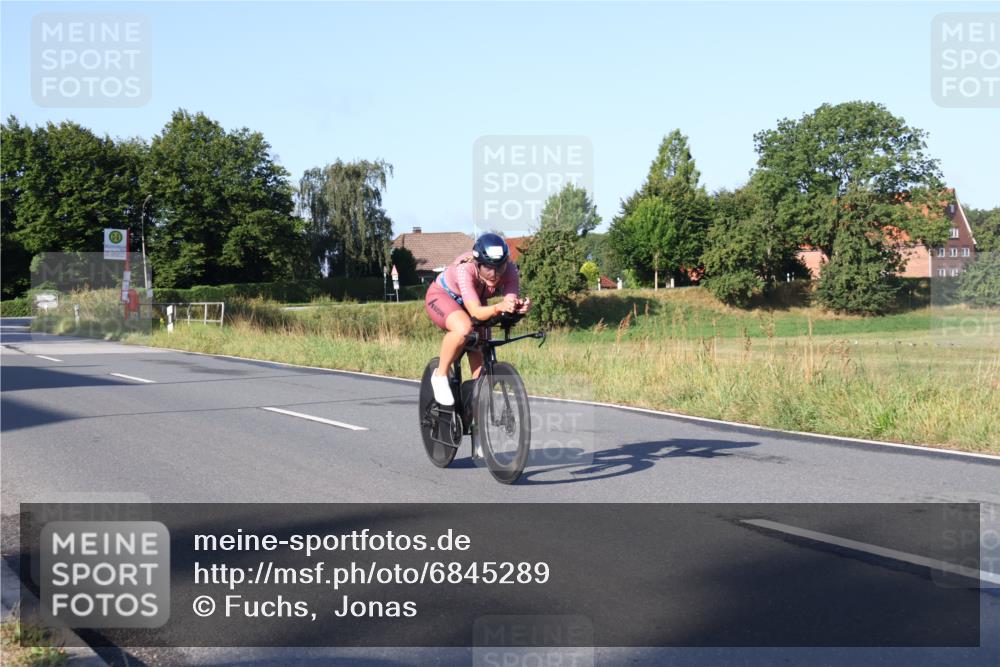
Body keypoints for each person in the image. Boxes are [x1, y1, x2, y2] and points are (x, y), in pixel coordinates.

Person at [423, 233, 531, 406]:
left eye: (499, 268)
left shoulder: (510, 270)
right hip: (443, 297)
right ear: (477, 263)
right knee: (464, 328)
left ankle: (475, 406)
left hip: (476, 301)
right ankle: (440, 375)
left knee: (481, 346)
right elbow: (475, 312)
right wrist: (498, 307)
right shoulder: (466, 269)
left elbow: (509, 303)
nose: (494, 274)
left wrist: (519, 308)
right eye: (488, 268)